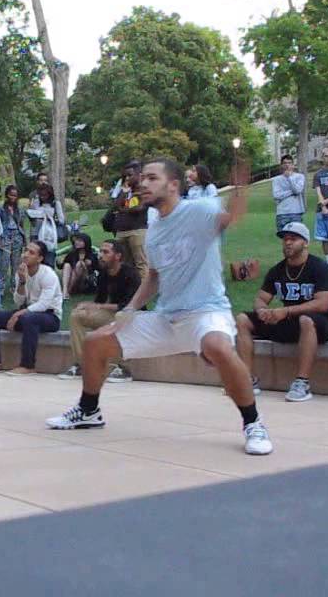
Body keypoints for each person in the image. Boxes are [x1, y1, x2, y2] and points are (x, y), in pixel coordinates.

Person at [46, 159, 273, 456]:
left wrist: (241, 190)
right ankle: (89, 411)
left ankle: (253, 423)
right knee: (94, 343)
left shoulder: (199, 210)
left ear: (174, 185)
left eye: (152, 178)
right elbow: (153, 276)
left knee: (217, 345)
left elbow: (232, 216)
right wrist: (130, 310)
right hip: (168, 318)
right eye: (143, 178)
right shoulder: (154, 227)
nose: (143, 183)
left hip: (206, 311)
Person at [235, 222, 328, 403]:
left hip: (318, 324)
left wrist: (286, 311)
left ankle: (302, 383)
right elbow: (260, 298)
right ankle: (247, 379)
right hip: (286, 322)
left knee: (305, 319)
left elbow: (323, 304)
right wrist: (263, 310)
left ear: (305, 243)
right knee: (242, 319)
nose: (287, 243)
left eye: (293, 239)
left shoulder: (319, 268)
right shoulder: (278, 270)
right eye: (285, 239)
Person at [57, 239, 141, 383]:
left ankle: (123, 369)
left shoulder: (130, 274)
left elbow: (129, 305)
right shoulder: (104, 272)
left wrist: (99, 307)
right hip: (114, 315)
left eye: (106, 252)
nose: (101, 255)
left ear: (118, 256)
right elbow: (100, 301)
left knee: (121, 315)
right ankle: (82, 365)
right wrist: (87, 305)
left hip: (134, 317)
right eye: (101, 251)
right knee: (77, 315)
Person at [0, 241, 63, 376]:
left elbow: (44, 304)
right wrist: (22, 281)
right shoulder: (21, 272)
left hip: (50, 317)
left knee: (29, 318)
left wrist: (18, 314)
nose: (25, 255)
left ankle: (28, 366)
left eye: (31, 253)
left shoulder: (48, 275)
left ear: (40, 258)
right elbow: (18, 301)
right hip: (27, 313)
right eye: (26, 250)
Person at [110, 162, 148, 272]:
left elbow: (139, 208)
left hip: (137, 230)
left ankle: (144, 288)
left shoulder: (143, 190)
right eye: (125, 176)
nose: (127, 178)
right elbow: (116, 206)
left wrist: (123, 210)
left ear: (138, 175)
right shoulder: (126, 191)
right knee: (124, 264)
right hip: (122, 231)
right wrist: (123, 191)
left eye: (130, 175)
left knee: (140, 263)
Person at [0, 185, 26, 294]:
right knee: (4, 264)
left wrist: (24, 240)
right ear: (7, 195)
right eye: (11, 195)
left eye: (15, 195)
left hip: (17, 236)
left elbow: (22, 224)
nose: (13, 197)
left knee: (16, 264)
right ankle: (0, 288)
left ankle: (14, 287)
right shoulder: (0, 209)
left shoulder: (20, 209)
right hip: (5, 236)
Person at [29, 183, 65, 268]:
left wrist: (50, 218)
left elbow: (61, 220)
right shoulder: (36, 202)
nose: (42, 197)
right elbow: (32, 215)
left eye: (45, 195)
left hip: (49, 235)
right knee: (35, 261)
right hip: (37, 234)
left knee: (49, 261)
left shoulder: (56, 204)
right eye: (40, 195)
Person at [271, 155, 306, 233]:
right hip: (282, 213)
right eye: (285, 163)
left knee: (296, 237)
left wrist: (290, 178)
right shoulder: (276, 180)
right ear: (281, 165)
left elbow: (297, 190)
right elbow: (276, 195)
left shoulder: (300, 177)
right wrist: (291, 192)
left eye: (289, 163)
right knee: (285, 239)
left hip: (296, 212)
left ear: (293, 165)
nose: (287, 165)